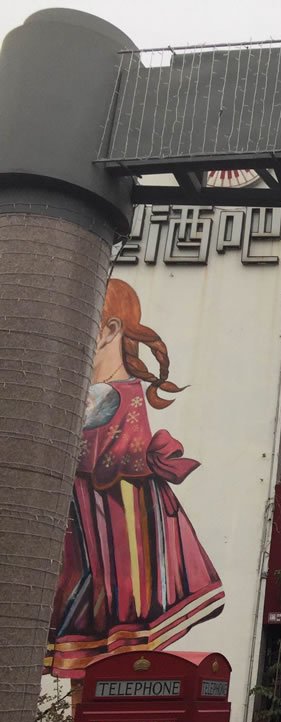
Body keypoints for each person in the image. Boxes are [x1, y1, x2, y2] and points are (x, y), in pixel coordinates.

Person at [45, 278, 224, 677]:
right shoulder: (117, 392)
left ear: (110, 329)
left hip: (108, 542)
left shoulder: (102, 397)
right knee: (101, 662)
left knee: (97, 658)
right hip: (113, 543)